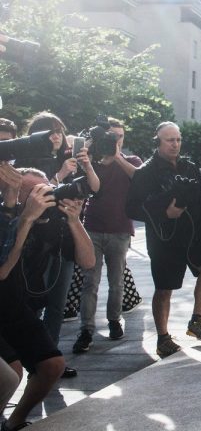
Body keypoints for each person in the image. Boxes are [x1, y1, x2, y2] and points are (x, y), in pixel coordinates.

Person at [126, 122, 201, 358]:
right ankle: (163, 338)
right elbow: (132, 208)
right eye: (170, 140)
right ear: (157, 141)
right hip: (164, 239)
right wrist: (164, 212)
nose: (175, 144)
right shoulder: (146, 172)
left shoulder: (189, 166)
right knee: (164, 288)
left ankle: (196, 319)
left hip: (195, 233)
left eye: (178, 139)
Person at [16, 113, 100, 379]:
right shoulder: (27, 161)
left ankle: (49, 357)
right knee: (33, 300)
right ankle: (29, 357)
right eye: (49, 131)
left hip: (63, 237)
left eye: (59, 130)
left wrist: (86, 165)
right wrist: (61, 174)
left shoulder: (69, 157)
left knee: (57, 304)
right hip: (33, 241)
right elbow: (32, 197)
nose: (55, 136)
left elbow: (93, 188)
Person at [0, 165, 66, 431]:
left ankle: (15, 422)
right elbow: (3, 270)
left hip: (14, 306)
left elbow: (88, 261)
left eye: (44, 192)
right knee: (11, 373)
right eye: (32, 192)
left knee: (53, 365)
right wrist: (24, 219)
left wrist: (73, 221)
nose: (40, 199)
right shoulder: (9, 217)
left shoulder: (50, 221)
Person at [72, 118, 143, 354]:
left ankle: (114, 320)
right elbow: (93, 187)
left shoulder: (131, 161)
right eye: (111, 136)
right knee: (90, 282)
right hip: (92, 227)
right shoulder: (92, 161)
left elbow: (139, 178)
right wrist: (87, 155)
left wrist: (116, 155)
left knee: (116, 281)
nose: (116, 140)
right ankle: (86, 330)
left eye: (119, 136)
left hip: (120, 229)